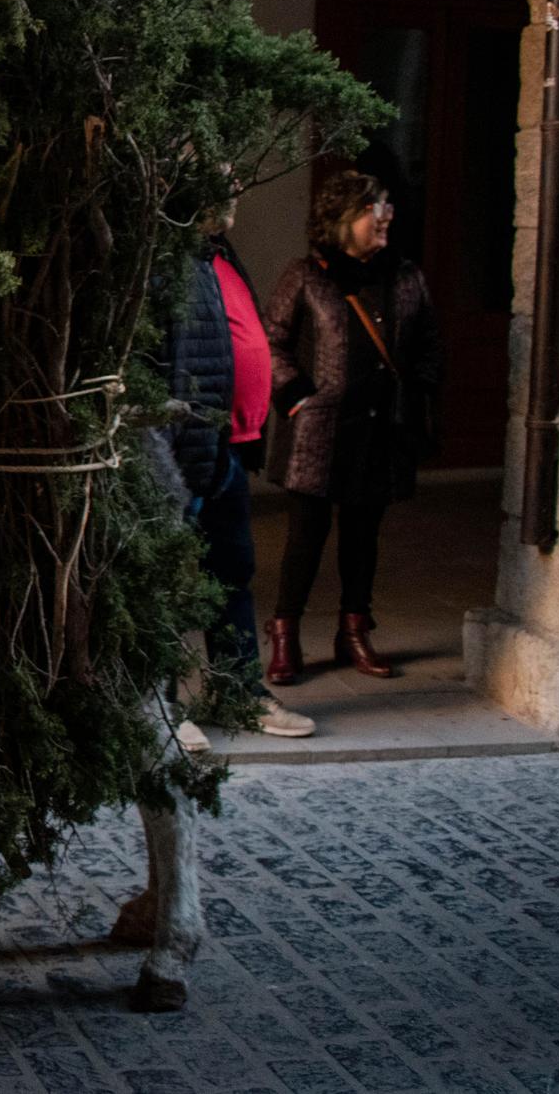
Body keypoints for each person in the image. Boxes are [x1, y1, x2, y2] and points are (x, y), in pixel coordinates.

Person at [263, 169, 443, 680]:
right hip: (319, 434)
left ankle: (353, 634)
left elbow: (430, 342)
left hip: (381, 428)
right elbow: (270, 338)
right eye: (373, 208)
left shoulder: (406, 276)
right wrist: (298, 397)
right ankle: (285, 635)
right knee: (305, 536)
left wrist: (418, 392)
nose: (386, 217)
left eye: (387, 206)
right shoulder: (307, 275)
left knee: (363, 536)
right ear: (343, 220)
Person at [157, 198, 316, 749]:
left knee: (232, 573)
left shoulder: (217, 252)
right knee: (168, 583)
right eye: (222, 179)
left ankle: (237, 693)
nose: (234, 192)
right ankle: (163, 710)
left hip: (228, 446)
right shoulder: (165, 256)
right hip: (183, 450)